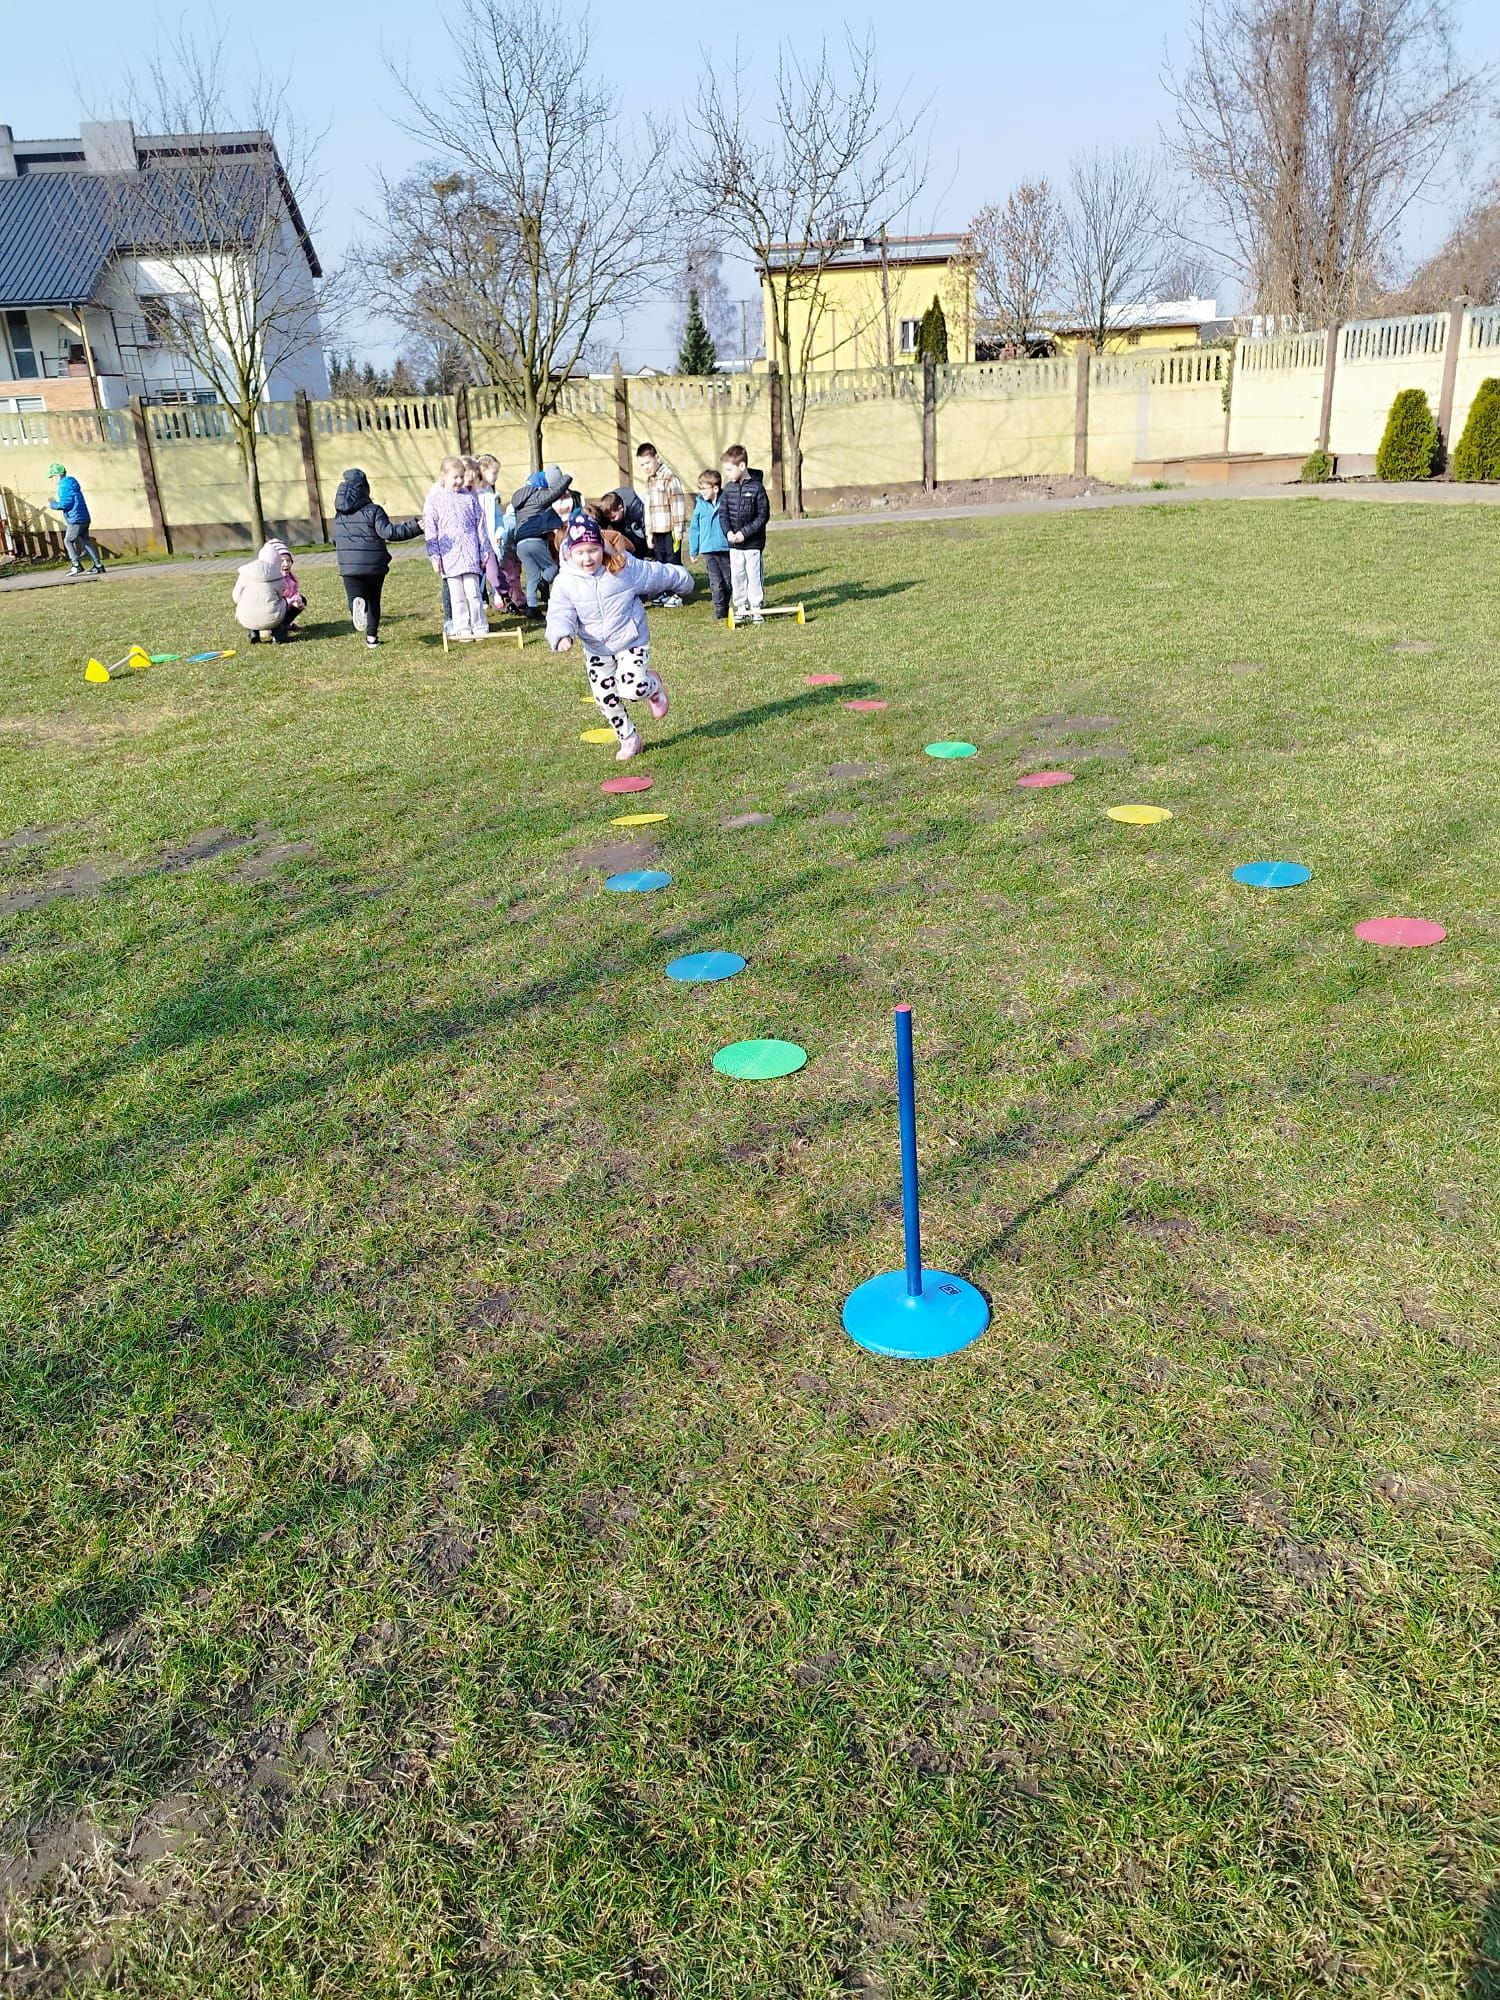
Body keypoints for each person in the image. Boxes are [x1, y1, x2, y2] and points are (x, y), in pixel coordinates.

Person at [546, 512, 692, 762]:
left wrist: (682, 580)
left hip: (630, 641)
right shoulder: (565, 581)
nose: (587, 558)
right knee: (605, 698)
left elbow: (655, 574)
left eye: (593, 550)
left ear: (601, 547)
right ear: (570, 552)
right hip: (597, 649)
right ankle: (629, 738)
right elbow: (560, 611)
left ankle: (653, 687)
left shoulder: (622, 567)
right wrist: (561, 635)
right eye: (580, 552)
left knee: (633, 688)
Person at [332, 467, 422, 647]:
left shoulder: (339, 515)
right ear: (365, 488)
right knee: (373, 599)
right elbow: (389, 533)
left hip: (349, 565)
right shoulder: (374, 510)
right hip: (374, 564)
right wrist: (416, 527)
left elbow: (335, 540)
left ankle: (358, 607)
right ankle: (371, 638)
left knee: (356, 599)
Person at [425, 455, 490, 642]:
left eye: (462, 476)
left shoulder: (469, 499)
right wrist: (435, 556)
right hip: (449, 556)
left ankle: (480, 625)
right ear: (443, 476)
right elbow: (431, 530)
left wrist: (484, 550)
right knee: (457, 597)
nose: (460, 481)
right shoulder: (435, 500)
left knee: (473, 593)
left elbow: (480, 525)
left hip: (470, 553)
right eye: (455, 477)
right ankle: (462, 627)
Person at [510, 463, 573, 613]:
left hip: (520, 543)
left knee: (532, 576)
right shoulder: (537, 496)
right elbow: (554, 493)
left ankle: (532, 608)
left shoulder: (519, 501)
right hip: (535, 539)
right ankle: (544, 583)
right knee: (551, 567)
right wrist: (567, 477)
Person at [719, 444, 770, 625]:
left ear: (741, 466)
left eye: (729, 470)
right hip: (734, 544)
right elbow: (723, 514)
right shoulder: (728, 489)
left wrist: (744, 533)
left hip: (753, 543)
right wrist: (728, 532)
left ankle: (756, 607)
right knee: (738, 575)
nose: (727, 474)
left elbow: (762, 516)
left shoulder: (757, 488)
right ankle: (741, 606)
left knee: (753, 575)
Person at [635, 441, 686, 604]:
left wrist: (678, 528)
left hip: (670, 530)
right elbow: (648, 509)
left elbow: (677, 503)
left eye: (648, 463)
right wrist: (649, 533)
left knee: (673, 561)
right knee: (661, 563)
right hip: (656, 530)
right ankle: (665, 591)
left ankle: (678, 593)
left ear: (657, 458)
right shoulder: (648, 481)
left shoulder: (670, 478)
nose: (646, 467)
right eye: (642, 465)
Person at [45, 463, 104, 579]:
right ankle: (98, 566)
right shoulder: (72, 483)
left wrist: (52, 504)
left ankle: (76, 565)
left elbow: (65, 504)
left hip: (75, 519)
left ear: (58, 475)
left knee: (68, 540)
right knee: (85, 541)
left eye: (52, 477)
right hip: (84, 517)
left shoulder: (63, 486)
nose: (51, 480)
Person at [688, 468, 732, 622]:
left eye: (704, 488)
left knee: (728, 580)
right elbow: (694, 528)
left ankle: (726, 604)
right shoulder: (700, 505)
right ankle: (719, 609)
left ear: (715, 488)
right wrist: (693, 550)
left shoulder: (725, 502)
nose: (701, 492)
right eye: (699, 488)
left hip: (725, 548)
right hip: (708, 549)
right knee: (715, 582)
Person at [232, 544, 295, 644]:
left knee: (247, 604)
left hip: (246, 619)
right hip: (272, 619)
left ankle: (253, 633)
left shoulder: (245, 573)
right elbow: (281, 596)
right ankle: (278, 636)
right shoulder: (278, 576)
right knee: (284, 602)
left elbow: (236, 597)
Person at [262, 538, 306, 634]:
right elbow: (275, 600)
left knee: (303, 599)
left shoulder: (291, 577)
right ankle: (270, 628)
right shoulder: (272, 579)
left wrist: (297, 600)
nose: (286, 564)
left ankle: (286, 624)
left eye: (288, 560)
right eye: (282, 561)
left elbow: (294, 591)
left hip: (286, 605)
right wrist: (291, 602)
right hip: (273, 610)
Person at [593, 486, 648, 558]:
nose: (611, 520)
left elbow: (645, 525)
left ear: (621, 508)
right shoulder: (611, 508)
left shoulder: (635, 509)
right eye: (609, 518)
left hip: (642, 538)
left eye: (613, 517)